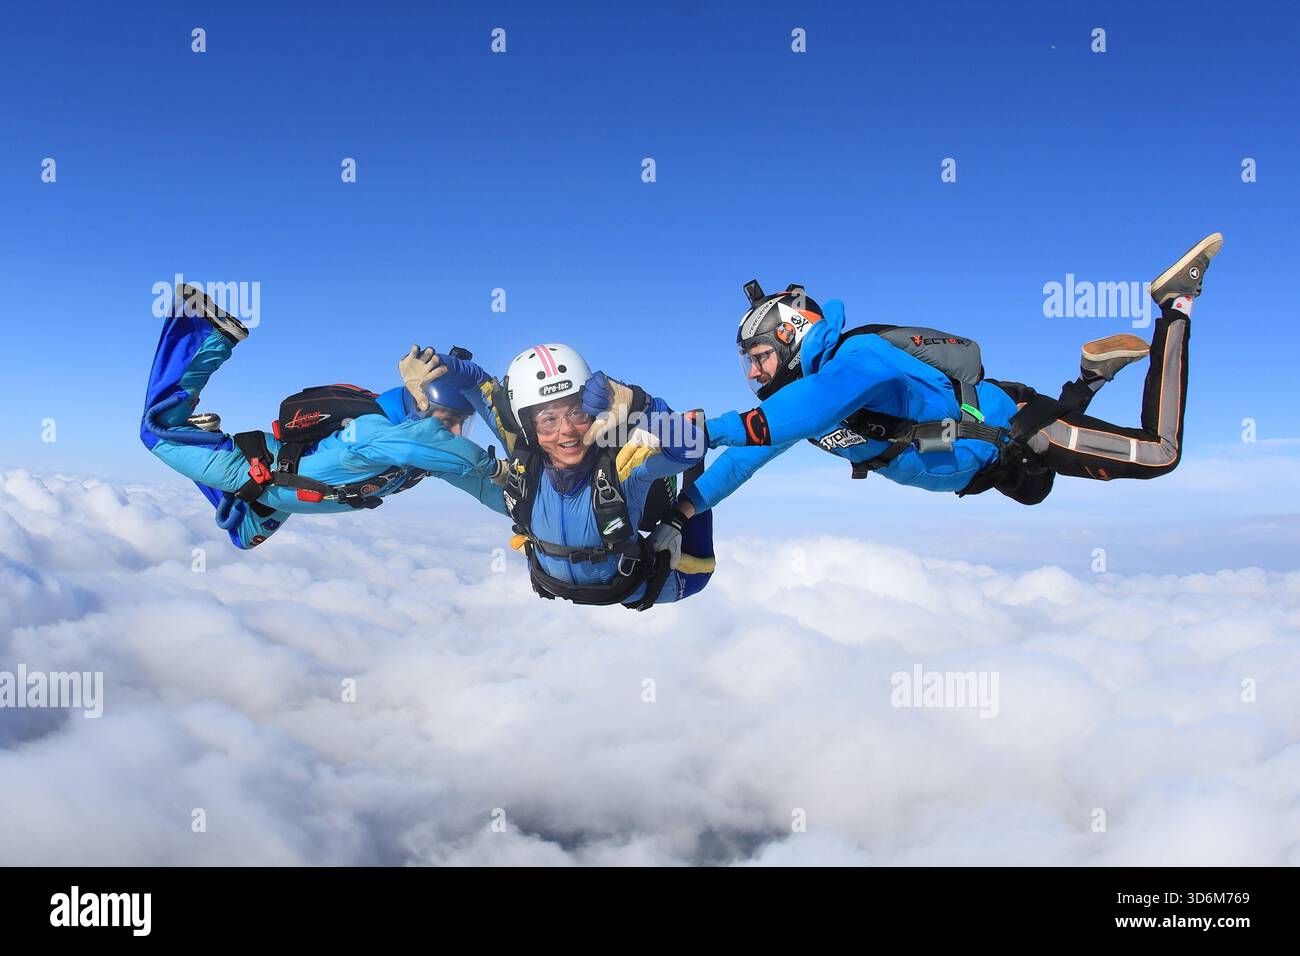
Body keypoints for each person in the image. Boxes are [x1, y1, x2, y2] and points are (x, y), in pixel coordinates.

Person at [664, 233, 1222, 535]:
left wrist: (704, 431)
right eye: (749, 364)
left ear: (791, 334)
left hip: (1019, 429)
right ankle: (1088, 380)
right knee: (1036, 490)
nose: (755, 374)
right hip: (985, 463)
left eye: (759, 357)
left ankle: (1175, 304)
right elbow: (751, 455)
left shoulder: (856, 358)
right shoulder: (802, 398)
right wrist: (683, 511)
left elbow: (810, 409)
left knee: (1160, 453)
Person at [140, 285, 507, 549]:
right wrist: (496, 468)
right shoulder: (373, 433)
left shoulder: (423, 459)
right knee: (156, 431)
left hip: (273, 500)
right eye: (448, 417)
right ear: (419, 408)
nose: (457, 429)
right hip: (254, 469)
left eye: (463, 421)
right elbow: (431, 446)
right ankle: (209, 331)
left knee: (243, 536)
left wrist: (529, 513)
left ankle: (201, 439)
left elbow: (482, 489)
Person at [401, 343, 715, 608]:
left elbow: (691, 448)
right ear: (527, 426)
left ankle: (676, 511)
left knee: (701, 569)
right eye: (548, 419)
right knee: (457, 464)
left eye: (577, 413)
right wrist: (440, 365)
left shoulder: (620, 467)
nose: (566, 431)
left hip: (632, 587)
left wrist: (645, 407)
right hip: (550, 580)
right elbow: (478, 385)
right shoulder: (523, 452)